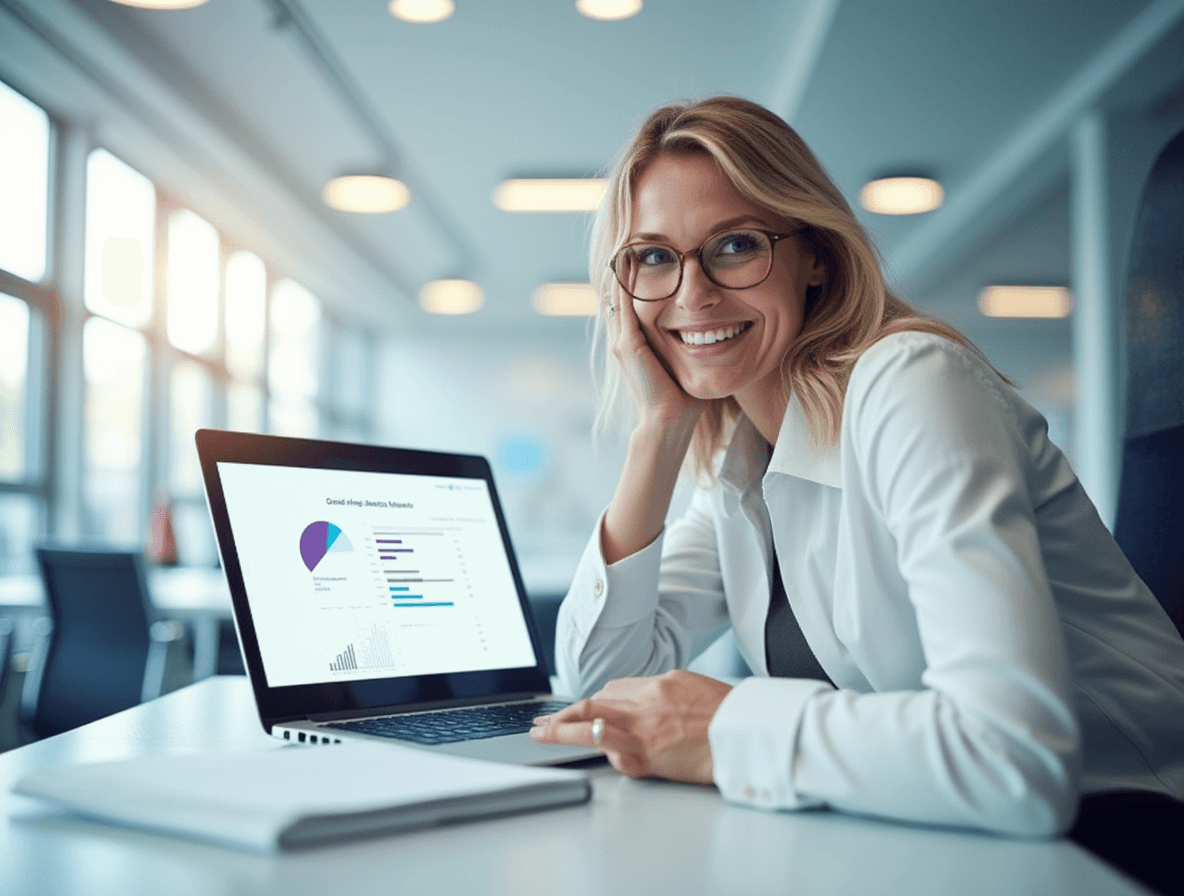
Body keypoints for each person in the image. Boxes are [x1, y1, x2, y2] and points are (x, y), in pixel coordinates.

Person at [529, 96, 1184, 868]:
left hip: (1128, 833)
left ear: (816, 255)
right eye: (654, 257)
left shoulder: (912, 384)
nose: (692, 293)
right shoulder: (742, 462)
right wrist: (659, 430)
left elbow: (1017, 760)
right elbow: (598, 686)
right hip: (957, 842)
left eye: (735, 245)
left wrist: (727, 725)